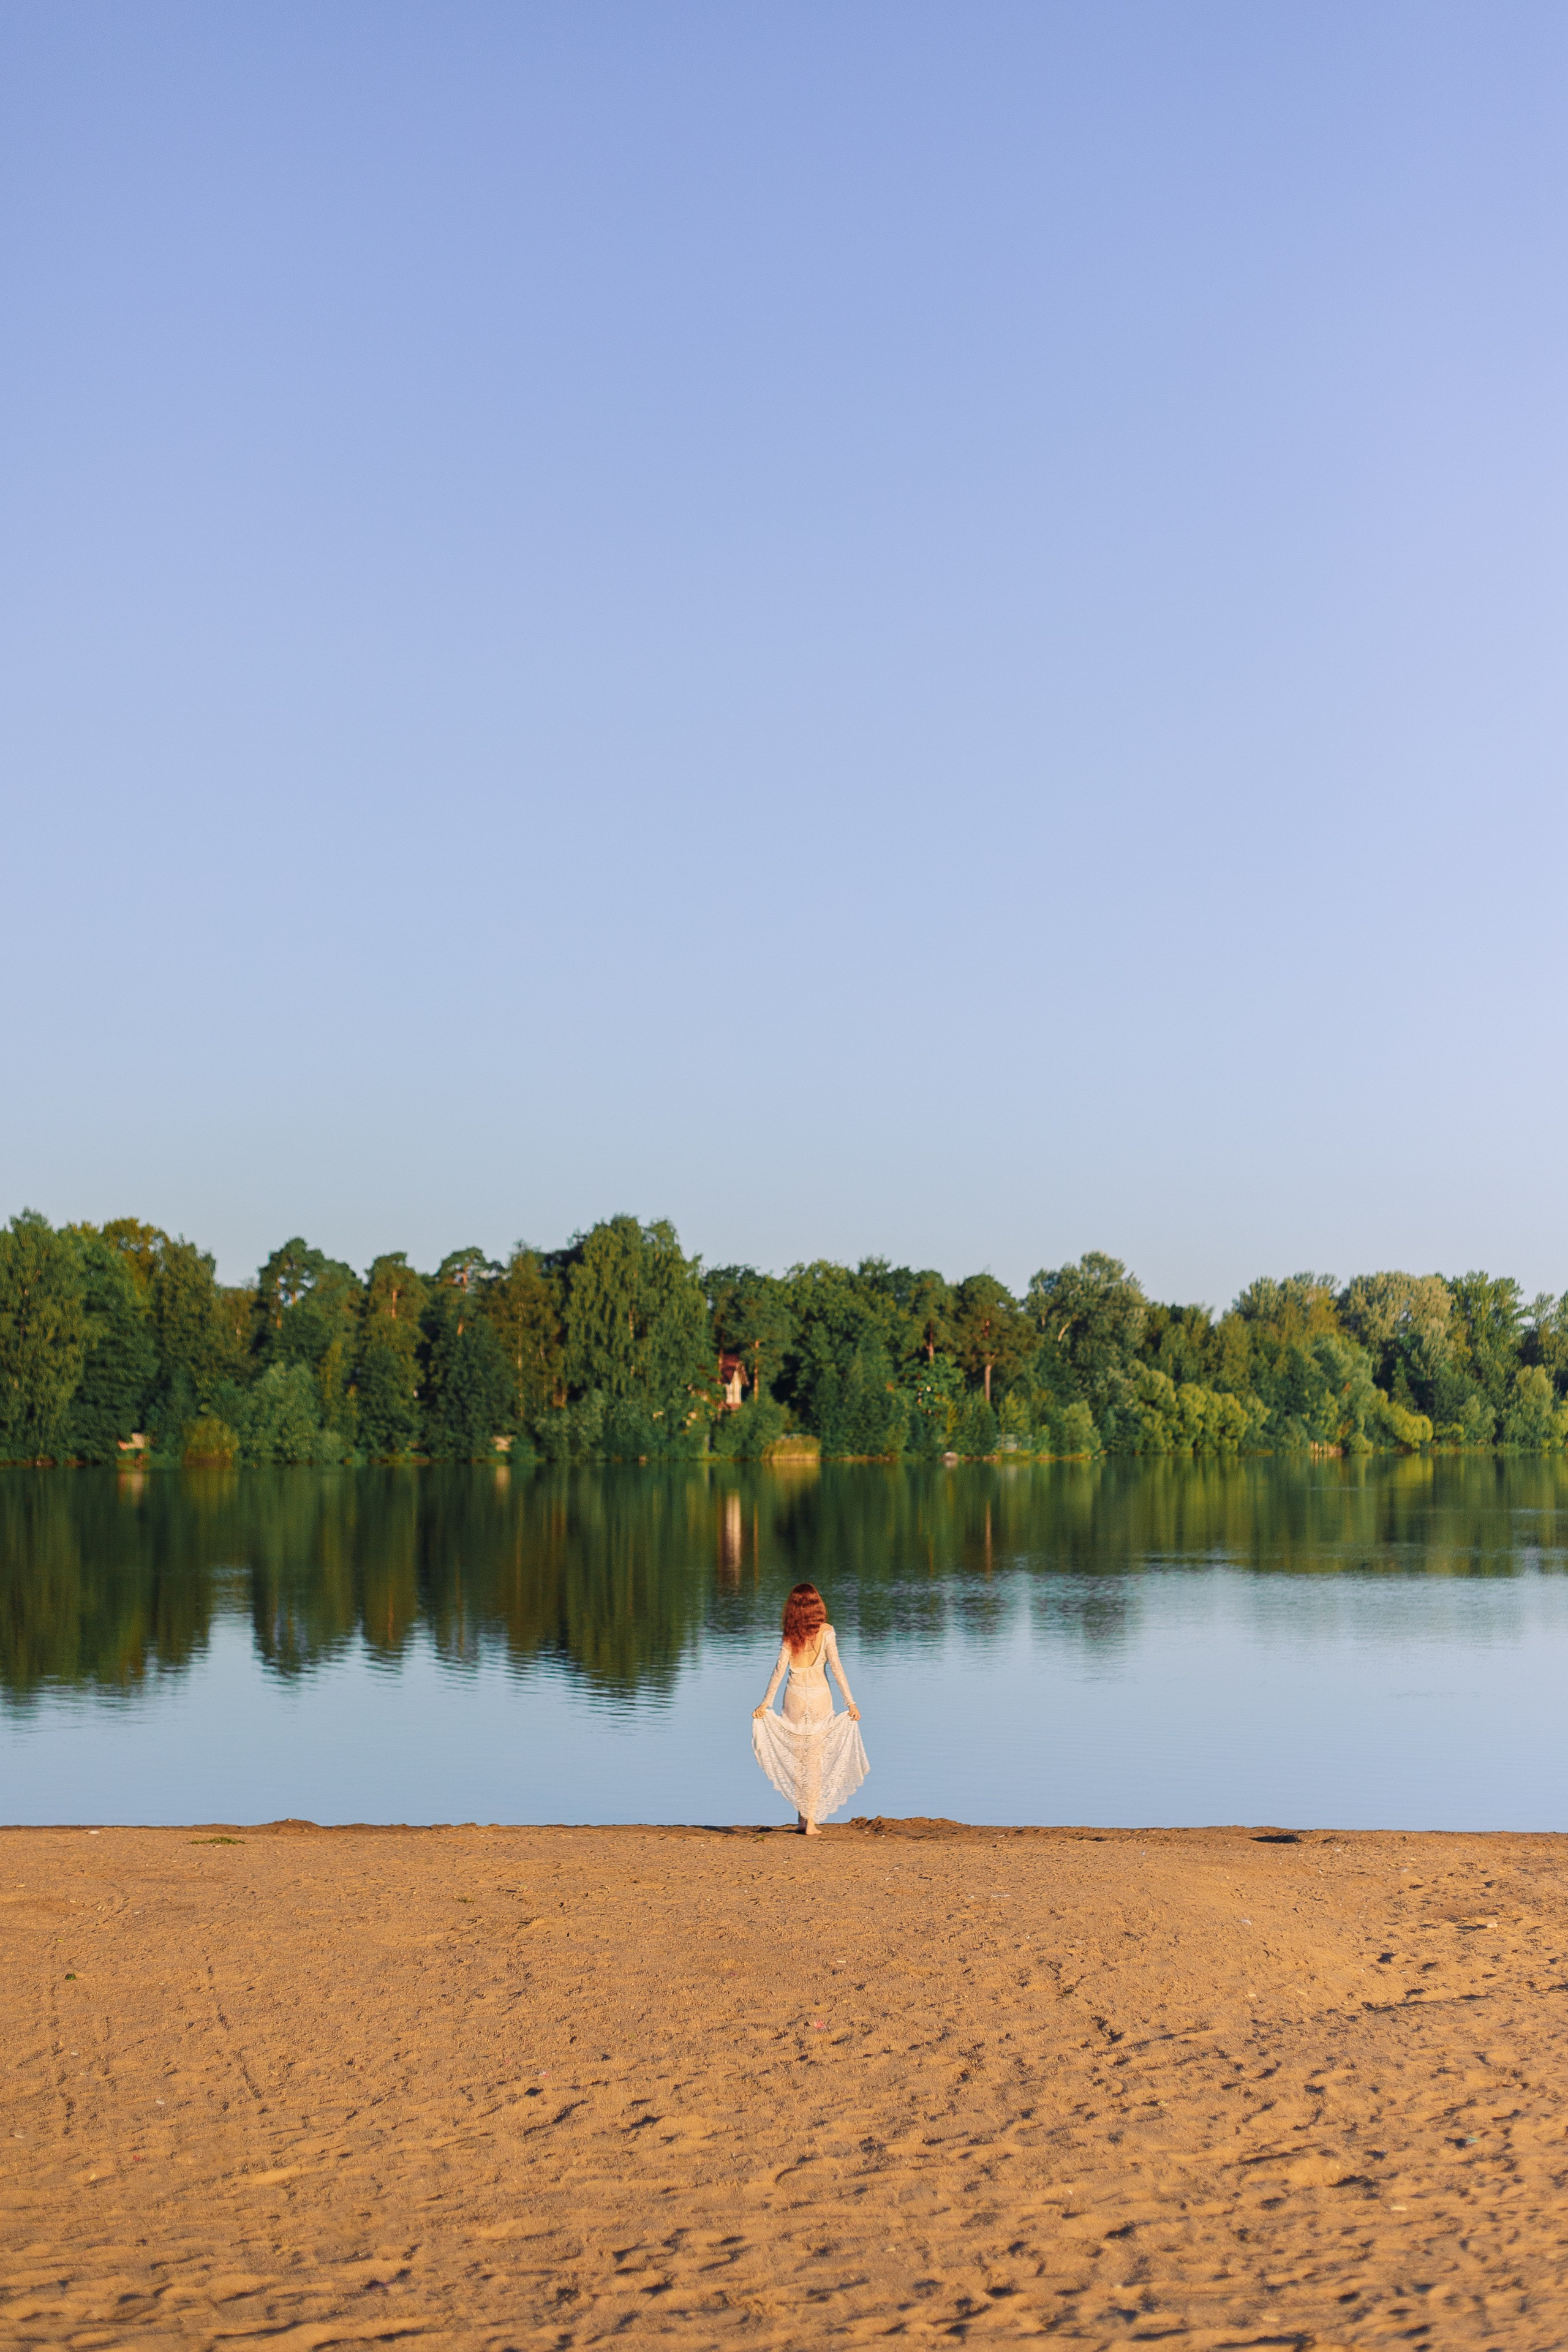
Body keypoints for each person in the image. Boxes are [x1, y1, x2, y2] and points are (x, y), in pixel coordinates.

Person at [751, 1581, 868, 1834]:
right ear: (817, 1605)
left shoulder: (790, 1634)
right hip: (819, 1698)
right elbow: (836, 1668)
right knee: (814, 1762)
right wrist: (851, 1702)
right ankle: (811, 1823)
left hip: (793, 1696)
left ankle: (802, 1819)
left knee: (798, 1760)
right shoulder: (827, 1631)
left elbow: (780, 1669)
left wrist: (766, 1703)